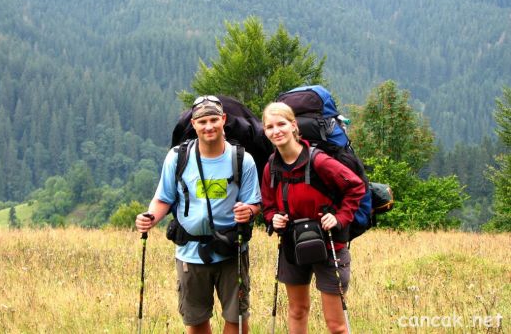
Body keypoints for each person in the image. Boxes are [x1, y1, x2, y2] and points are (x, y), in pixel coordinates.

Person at [135, 95, 261, 334]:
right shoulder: (177, 157)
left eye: (214, 119)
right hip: (190, 253)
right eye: (202, 121)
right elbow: (164, 197)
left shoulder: (242, 160)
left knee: (237, 320)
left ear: (223, 119)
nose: (209, 126)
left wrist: (249, 211)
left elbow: (254, 202)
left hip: (231, 250)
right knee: (195, 321)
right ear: (193, 124)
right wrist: (149, 218)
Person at [260, 102, 365, 334]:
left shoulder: (319, 161)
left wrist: (340, 217)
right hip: (291, 244)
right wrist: (272, 219)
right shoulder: (271, 167)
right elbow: (267, 205)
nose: (276, 131)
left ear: (293, 126)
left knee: (336, 325)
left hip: (329, 244)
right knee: (297, 312)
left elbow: (356, 187)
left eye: (281, 124)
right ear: (265, 132)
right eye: (269, 127)